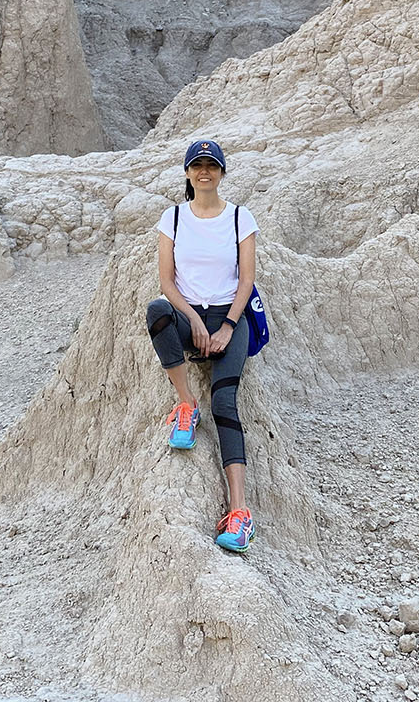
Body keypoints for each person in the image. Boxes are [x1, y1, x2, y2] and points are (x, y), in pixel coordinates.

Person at [144, 139, 260, 554]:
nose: (204, 172)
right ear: (189, 174)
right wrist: (193, 320)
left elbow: (246, 281)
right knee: (156, 311)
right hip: (188, 314)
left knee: (226, 404)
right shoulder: (172, 218)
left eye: (212, 165)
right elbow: (167, 283)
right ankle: (186, 404)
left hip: (230, 316)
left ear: (222, 172)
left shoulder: (239, 219)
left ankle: (240, 513)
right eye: (198, 166)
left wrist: (228, 326)